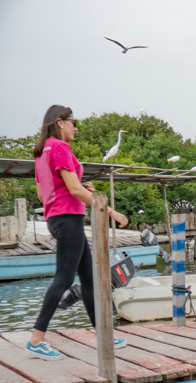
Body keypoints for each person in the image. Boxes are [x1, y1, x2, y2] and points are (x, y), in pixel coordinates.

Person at [27, 105, 129, 359]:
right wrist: (111, 212)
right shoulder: (60, 147)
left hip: (57, 217)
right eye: (74, 122)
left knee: (89, 279)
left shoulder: (42, 152)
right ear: (60, 122)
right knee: (63, 279)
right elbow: (74, 190)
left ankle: (103, 333)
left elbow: (43, 194)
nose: (76, 127)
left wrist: (80, 186)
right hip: (68, 218)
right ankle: (37, 339)